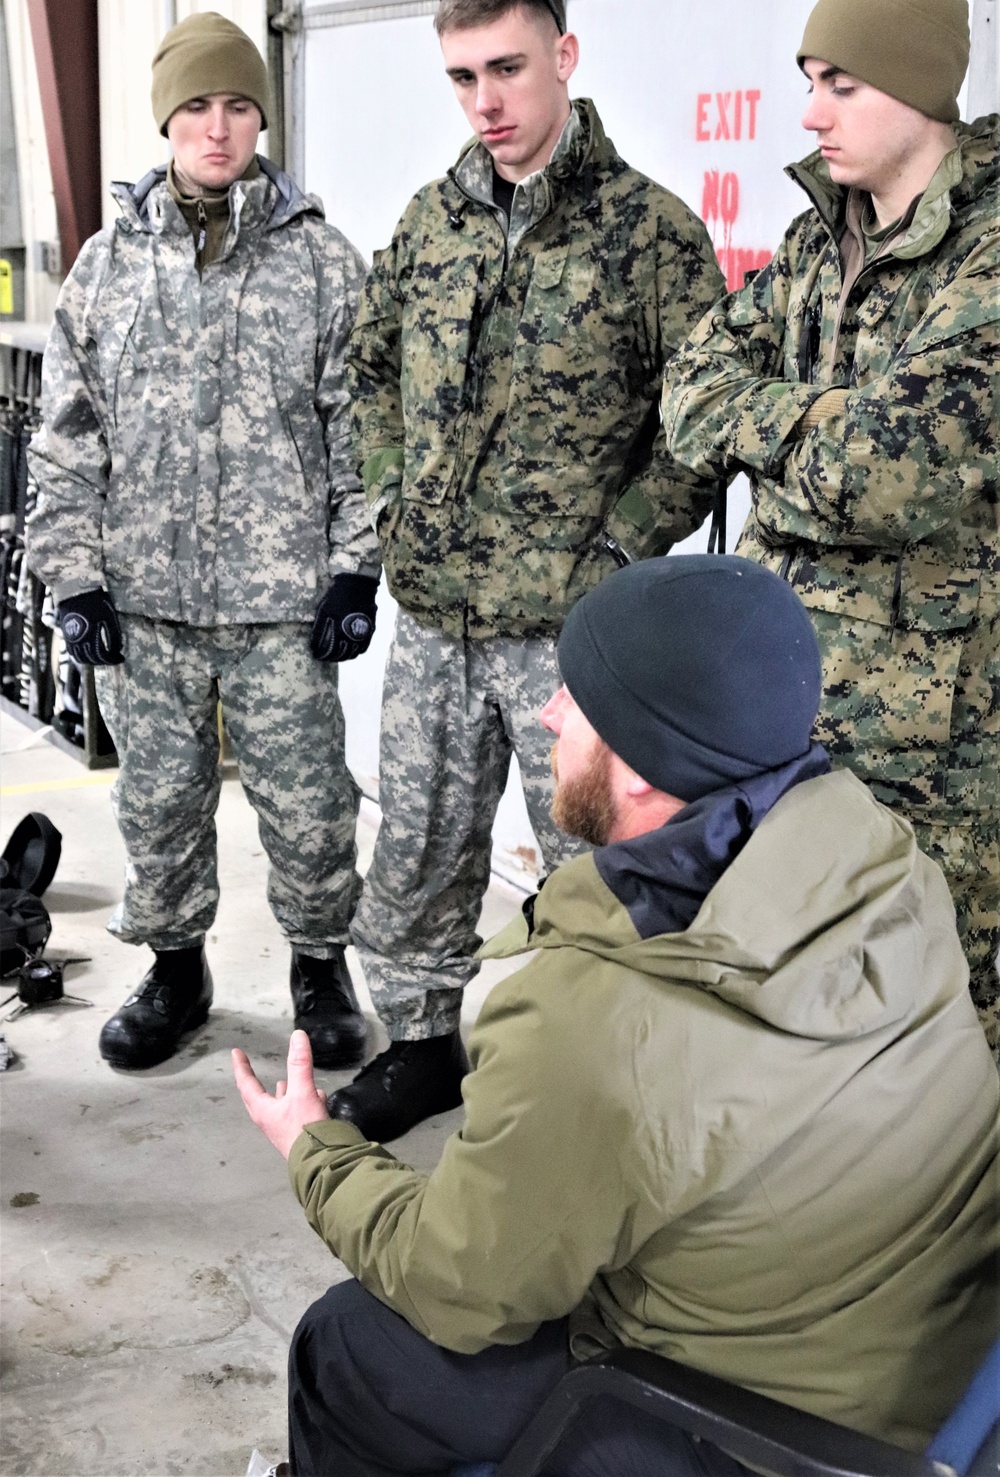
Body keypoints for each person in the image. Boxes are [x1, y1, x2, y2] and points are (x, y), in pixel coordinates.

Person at [234, 555, 1000, 1477]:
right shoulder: (884, 862)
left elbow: (460, 1284)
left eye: (577, 699)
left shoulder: (595, 1024)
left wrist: (314, 1148)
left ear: (637, 772)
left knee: (346, 1341)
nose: (550, 714)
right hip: (934, 1371)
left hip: (759, 1435)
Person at [338, 0, 725, 1140]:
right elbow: (369, 365)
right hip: (435, 621)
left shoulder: (647, 233)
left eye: (506, 68)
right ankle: (419, 1045)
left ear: (564, 56)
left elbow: (698, 424)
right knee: (414, 846)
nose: (485, 103)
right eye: (461, 77)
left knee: (590, 870)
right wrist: (389, 493)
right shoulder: (432, 222)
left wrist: (617, 549)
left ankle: (592, 1074)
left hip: (570, 638)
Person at [25, 13, 381, 1071]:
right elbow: (67, 434)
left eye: (237, 106)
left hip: (281, 602)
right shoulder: (107, 265)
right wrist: (74, 578)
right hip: (148, 599)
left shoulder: (319, 260)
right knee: (158, 801)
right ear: (166, 120)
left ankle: (320, 966)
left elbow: (359, 430)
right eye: (196, 108)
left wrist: (354, 564)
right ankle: (175, 966)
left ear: (260, 118)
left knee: (312, 802)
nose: (217, 129)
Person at [660, 0, 1000, 1058]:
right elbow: (686, 393)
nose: (809, 113)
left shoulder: (985, 258)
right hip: (785, 705)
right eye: (809, 80)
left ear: (920, 88)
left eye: (839, 84)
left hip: (934, 745)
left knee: (939, 1032)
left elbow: (890, 473)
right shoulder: (818, 242)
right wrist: (814, 426)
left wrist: (771, 432)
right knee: (798, 1017)